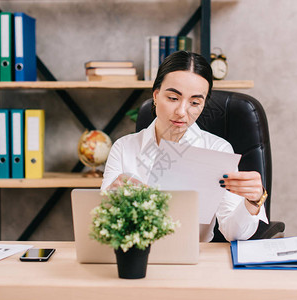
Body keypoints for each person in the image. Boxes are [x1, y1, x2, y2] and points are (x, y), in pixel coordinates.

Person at [101, 51, 268, 242]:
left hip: (193, 260)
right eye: (173, 98)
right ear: (156, 96)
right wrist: (109, 201)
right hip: (134, 256)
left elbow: (234, 233)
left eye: (195, 102)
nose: (181, 112)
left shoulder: (217, 150)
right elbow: (101, 224)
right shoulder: (124, 148)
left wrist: (253, 201)